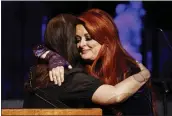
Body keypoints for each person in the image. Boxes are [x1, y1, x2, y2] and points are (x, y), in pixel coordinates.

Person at [32, 9, 154, 115]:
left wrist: (144, 74)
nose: (81, 44)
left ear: (106, 39)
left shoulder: (129, 71)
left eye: (88, 38)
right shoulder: (73, 69)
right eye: (77, 40)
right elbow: (40, 47)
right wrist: (53, 56)